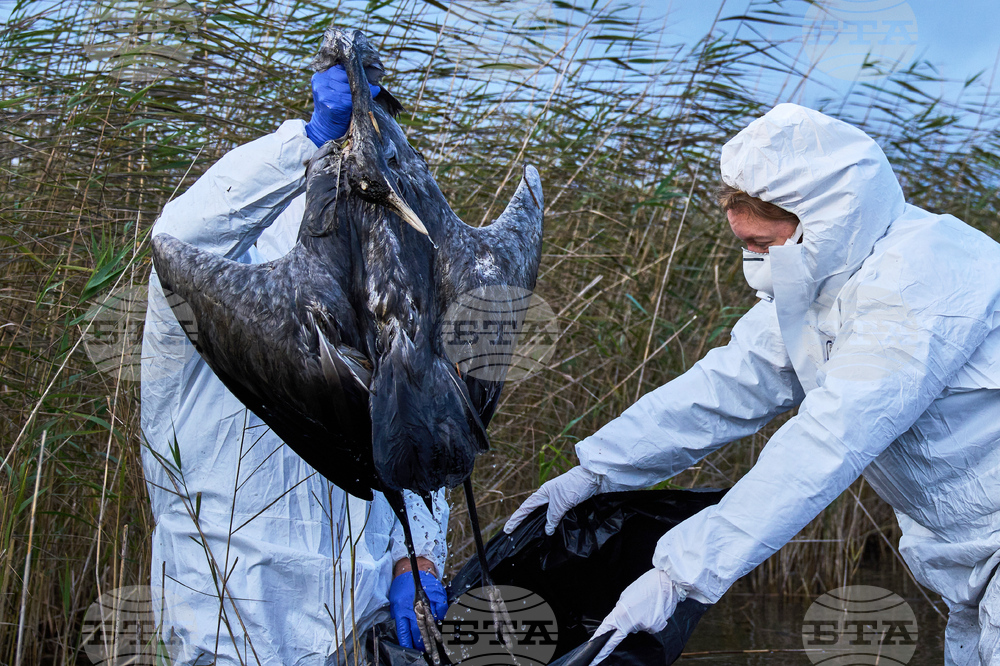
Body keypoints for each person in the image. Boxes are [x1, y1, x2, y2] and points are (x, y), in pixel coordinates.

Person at [506, 103, 1000, 665]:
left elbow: (830, 439)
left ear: (831, 220)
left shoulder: (922, 276)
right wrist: (597, 467)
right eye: (747, 244)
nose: (756, 263)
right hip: (961, 555)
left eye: (766, 243)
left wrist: (680, 576)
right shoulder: (821, 279)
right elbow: (725, 387)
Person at [140, 64, 449, 665]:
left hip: (353, 627)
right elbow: (182, 235)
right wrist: (306, 143)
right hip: (226, 628)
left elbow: (410, 450)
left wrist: (419, 557)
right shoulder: (210, 290)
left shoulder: (380, 299)